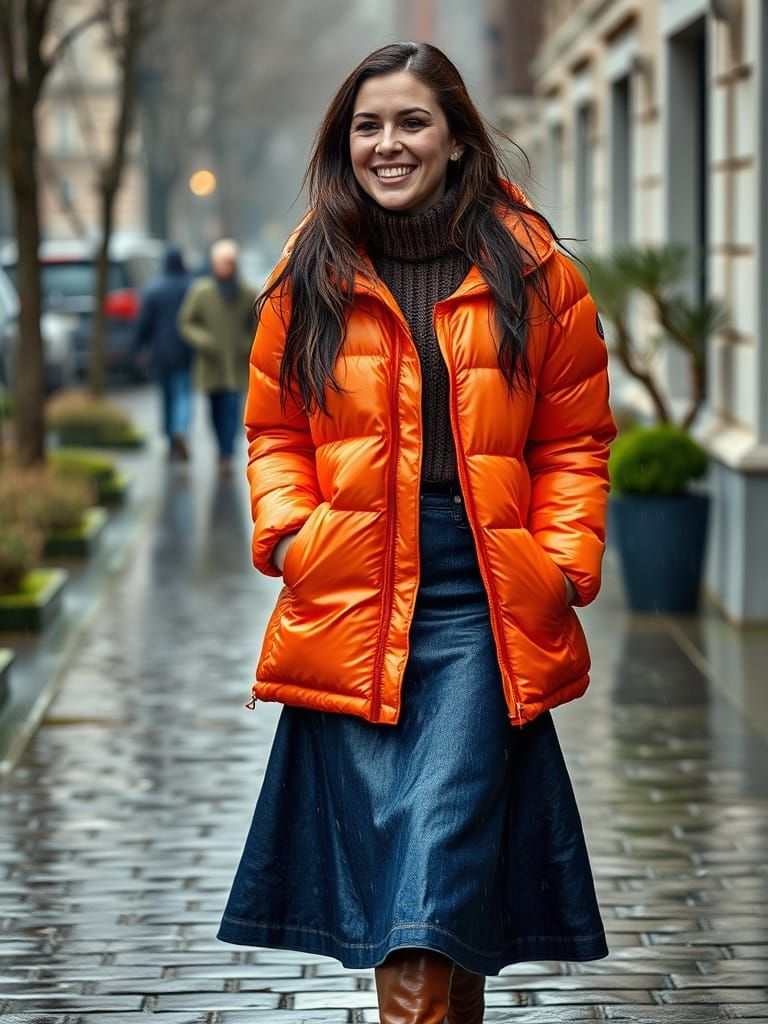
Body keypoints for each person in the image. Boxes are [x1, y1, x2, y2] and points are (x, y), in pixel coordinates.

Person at [217, 42, 616, 1024]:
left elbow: (575, 435)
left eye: (410, 122)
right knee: (435, 896)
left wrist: (560, 564)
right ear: (344, 142)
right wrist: (294, 536)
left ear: (454, 137)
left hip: (480, 604)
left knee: (436, 870)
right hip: (354, 599)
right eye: (368, 125)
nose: (388, 144)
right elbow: (273, 429)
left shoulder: (535, 271)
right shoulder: (308, 270)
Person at [177, 239, 256, 474]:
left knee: (232, 410)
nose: (226, 267)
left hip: (237, 364)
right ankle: (221, 450)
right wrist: (203, 341)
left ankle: (226, 455)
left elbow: (257, 325)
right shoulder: (201, 292)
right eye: (222, 263)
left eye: (229, 263)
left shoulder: (246, 292)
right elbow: (186, 322)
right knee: (215, 410)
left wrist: (248, 344)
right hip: (212, 365)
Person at [134, 245, 193, 460]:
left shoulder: (153, 289)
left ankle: (170, 439)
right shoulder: (192, 286)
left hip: (159, 352)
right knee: (184, 393)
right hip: (186, 351)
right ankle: (180, 428)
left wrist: (138, 346)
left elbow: (143, 322)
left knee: (166, 397)